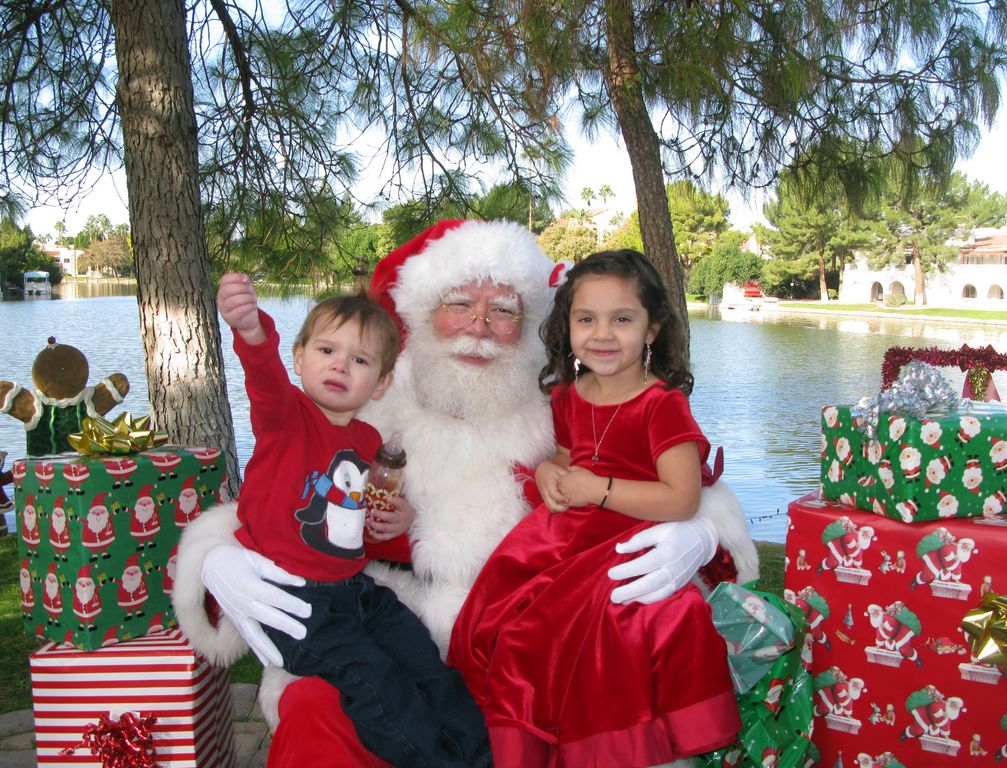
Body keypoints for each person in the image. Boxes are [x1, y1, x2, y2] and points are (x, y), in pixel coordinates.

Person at [174, 220, 759, 768]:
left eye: (502, 311)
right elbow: (280, 495)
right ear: (422, 313)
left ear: (529, 324)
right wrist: (218, 558)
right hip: (377, 622)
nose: (479, 327)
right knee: (315, 713)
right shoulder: (364, 397)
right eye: (459, 305)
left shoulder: (559, 405)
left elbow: (680, 476)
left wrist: (703, 530)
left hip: (527, 637)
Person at [449, 249, 741, 766]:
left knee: (590, 627)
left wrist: (598, 490)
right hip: (565, 537)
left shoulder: (661, 405)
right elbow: (565, 456)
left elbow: (681, 497)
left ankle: (600, 747)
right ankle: (528, 745)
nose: (602, 334)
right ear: (568, 326)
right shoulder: (568, 394)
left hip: (627, 537)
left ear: (651, 330)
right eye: (587, 319)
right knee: (513, 627)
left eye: (622, 319)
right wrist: (549, 473)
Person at [212, 273, 490, 768]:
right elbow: (263, 377)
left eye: (359, 360)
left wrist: (397, 520)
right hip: (296, 601)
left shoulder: (367, 443)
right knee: (374, 679)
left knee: (425, 660)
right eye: (326, 351)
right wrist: (251, 331)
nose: (340, 365)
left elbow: (350, 527)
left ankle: (477, 755)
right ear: (299, 360)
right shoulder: (286, 418)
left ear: (380, 382)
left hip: (353, 591)